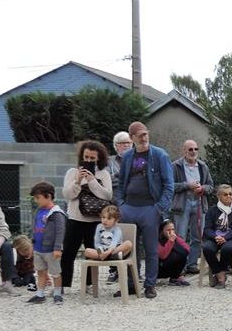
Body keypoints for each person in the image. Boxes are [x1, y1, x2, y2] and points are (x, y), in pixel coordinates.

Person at [116, 121, 174, 299]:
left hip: (150, 208)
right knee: (128, 250)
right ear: (132, 138)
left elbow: (169, 185)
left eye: (145, 134)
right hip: (129, 208)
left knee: (151, 250)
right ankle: (131, 284)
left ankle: (150, 285)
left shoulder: (159, 155)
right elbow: (120, 183)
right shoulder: (127, 157)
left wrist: (158, 209)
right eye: (140, 135)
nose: (144, 138)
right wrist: (120, 204)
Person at [61, 141, 113, 292]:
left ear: (99, 158)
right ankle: (64, 284)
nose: (89, 161)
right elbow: (68, 195)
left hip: (96, 220)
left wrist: (92, 181)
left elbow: (107, 196)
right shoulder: (72, 172)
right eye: (86, 157)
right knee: (68, 252)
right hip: (75, 219)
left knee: (93, 253)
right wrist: (78, 181)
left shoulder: (104, 174)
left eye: (92, 158)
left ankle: (89, 284)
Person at [171, 140, 214, 275]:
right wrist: (187, 185)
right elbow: (169, 186)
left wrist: (202, 188)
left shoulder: (203, 166)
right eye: (190, 149)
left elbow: (211, 186)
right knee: (180, 236)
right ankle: (180, 265)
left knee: (198, 237)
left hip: (199, 203)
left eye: (196, 149)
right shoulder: (175, 166)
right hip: (182, 204)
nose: (193, 152)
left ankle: (192, 264)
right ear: (184, 150)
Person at [25, 181, 67, 305]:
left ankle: (58, 293)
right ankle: (40, 294)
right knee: (41, 272)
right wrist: (32, 244)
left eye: (38, 198)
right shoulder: (38, 211)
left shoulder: (57, 214)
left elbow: (60, 232)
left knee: (55, 273)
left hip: (51, 250)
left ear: (48, 196)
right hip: (38, 249)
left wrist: (58, 248)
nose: (36, 200)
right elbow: (34, 228)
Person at [202, 185, 232, 289]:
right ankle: (220, 273)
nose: (229, 196)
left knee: (227, 248)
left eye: (230, 194)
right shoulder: (212, 210)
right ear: (219, 196)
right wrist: (215, 237)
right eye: (225, 194)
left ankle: (220, 276)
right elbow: (207, 229)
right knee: (207, 248)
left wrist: (225, 238)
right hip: (216, 237)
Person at [106, 130, 132, 285]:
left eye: (129, 143)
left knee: (131, 237)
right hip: (115, 206)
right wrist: (124, 179)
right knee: (111, 238)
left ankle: (131, 269)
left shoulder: (136, 159)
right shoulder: (109, 162)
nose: (127, 146)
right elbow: (108, 182)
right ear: (116, 146)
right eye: (123, 143)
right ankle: (113, 270)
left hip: (133, 205)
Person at [157, 219, 191, 286]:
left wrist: (175, 240)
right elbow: (162, 256)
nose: (171, 232)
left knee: (182, 253)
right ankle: (175, 277)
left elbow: (187, 249)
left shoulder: (174, 236)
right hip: (159, 268)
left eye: (172, 229)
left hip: (169, 266)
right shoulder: (156, 239)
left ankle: (175, 277)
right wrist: (170, 241)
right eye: (168, 230)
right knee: (179, 253)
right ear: (162, 230)